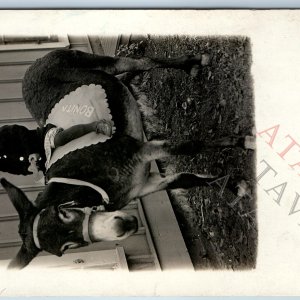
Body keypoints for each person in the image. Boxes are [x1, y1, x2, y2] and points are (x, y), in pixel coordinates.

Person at [0, 120, 113, 177]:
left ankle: (95, 126)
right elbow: (16, 169)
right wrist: (28, 169)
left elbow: (20, 131)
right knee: (56, 178)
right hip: (43, 161)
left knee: (59, 139)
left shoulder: (2, 133)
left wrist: (31, 152)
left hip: (40, 140)